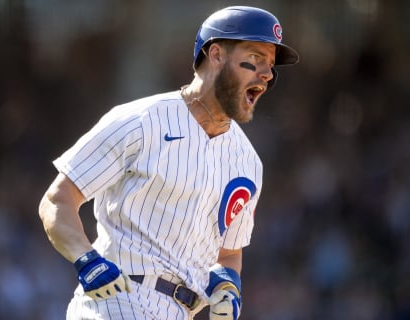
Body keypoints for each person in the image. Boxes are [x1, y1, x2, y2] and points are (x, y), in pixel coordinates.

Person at [38, 5, 298, 320]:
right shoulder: (140, 120)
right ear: (216, 54)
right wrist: (86, 260)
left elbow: (228, 252)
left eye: (270, 65)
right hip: (118, 297)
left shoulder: (248, 163)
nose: (267, 74)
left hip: (181, 311)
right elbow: (57, 201)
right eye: (256, 57)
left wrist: (228, 284)